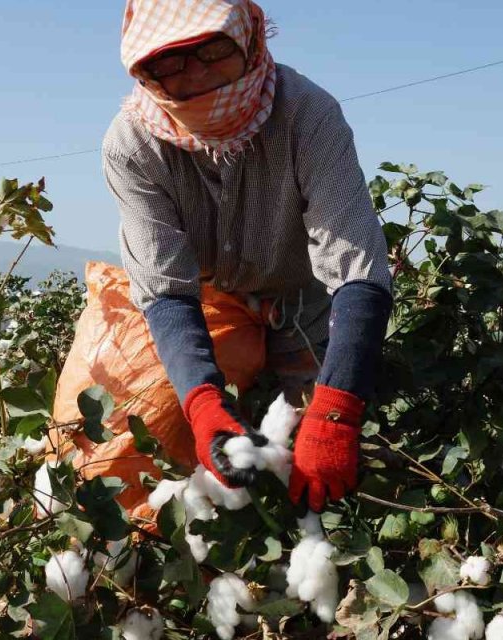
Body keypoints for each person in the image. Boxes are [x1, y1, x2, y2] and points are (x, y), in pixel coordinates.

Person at [102, 0, 392, 512]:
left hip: (302, 297)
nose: (196, 73)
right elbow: (167, 290)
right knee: (148, 427)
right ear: (145, 73)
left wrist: (336, 412)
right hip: (203, 300)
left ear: (251, 41)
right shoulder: (132, 145)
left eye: (213, 50)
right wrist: (202, 403)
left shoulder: (307, 113)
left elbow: (358, 269)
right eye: (170, 62)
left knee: (336, 453)